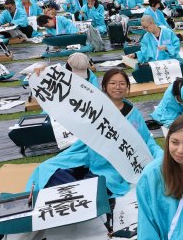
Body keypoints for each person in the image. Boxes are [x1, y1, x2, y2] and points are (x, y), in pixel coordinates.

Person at [25, 68, 163, 197]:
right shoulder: (95, 104)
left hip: (114, 161)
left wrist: (159, 155)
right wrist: (44, 72)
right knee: (48, 169)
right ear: (104, 87)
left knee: (99, 184)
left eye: (122, 83)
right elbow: (67, 91)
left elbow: (145, 140)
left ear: (127, 87)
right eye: (113, 83)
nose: (117, 87)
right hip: (88, 149)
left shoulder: (133, 113)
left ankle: (81, 189)